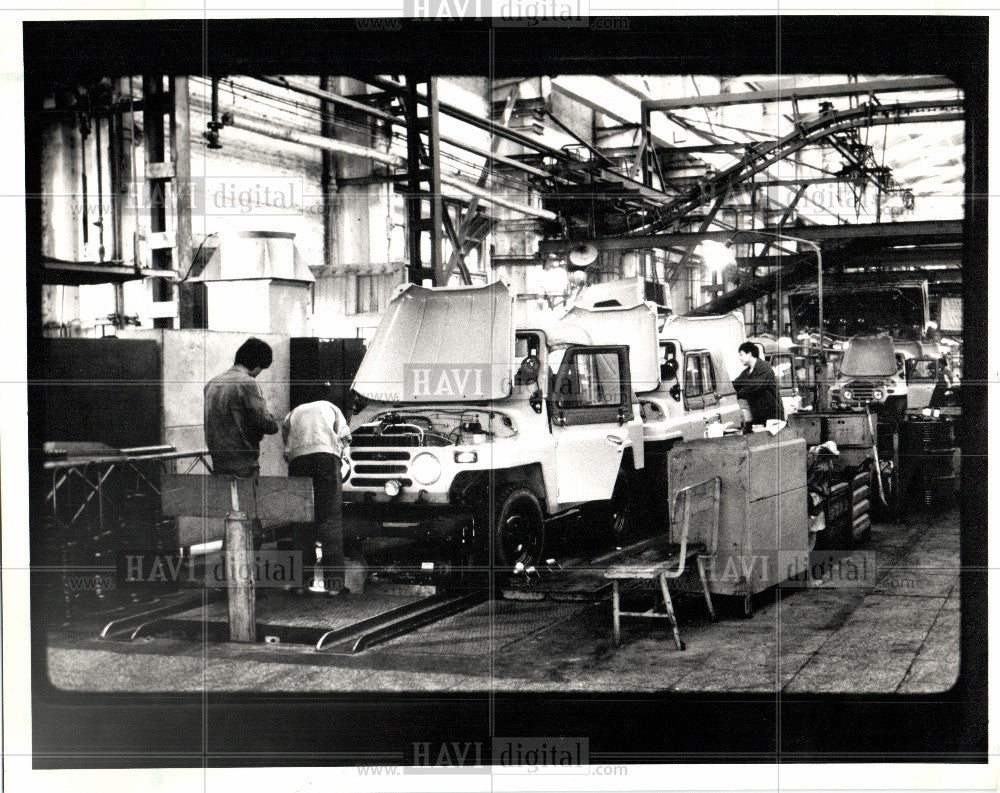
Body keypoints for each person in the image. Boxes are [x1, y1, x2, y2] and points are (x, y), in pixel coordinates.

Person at [282, 391, 354, 596]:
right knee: (330, 520)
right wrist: (341, 458)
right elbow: (345, 437)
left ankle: (299, 584)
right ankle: (334, 586)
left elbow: (285, 441)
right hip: (326, 461)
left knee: (301, 522)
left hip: (298, 462)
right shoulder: (332, 409)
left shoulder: (294, 413)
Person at [204, 337, 280, 478]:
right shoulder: (247, 382)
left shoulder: (212, 383)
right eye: (261, 369)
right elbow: (265, 423)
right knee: (247, 499)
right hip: (243, 461)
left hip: (218, 460)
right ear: (256, 365)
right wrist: (273, 421)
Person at [733, 341, 784, 427]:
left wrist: (736, 395)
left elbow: (754, 387)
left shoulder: (764, 367)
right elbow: (735, 385)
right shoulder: (746, 372)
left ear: (749, 354)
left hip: (772, 415)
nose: (739, 358)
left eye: (741, 355)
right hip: (758, 414)